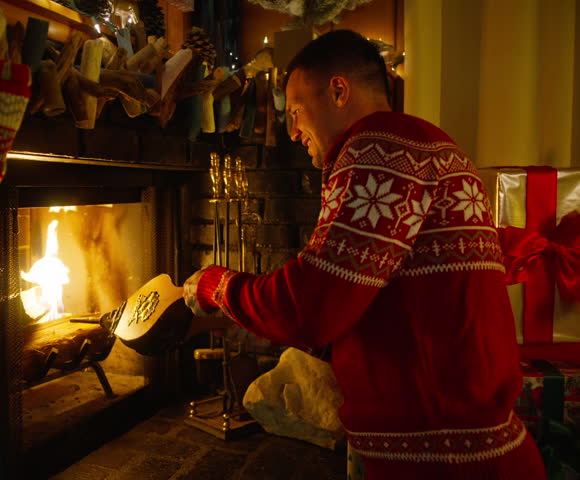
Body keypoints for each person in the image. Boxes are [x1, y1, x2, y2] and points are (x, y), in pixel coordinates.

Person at [183, 29, 546, 479]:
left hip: (444, 461)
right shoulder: (423, 142)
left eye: (296, 110)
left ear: (338, 90)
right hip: (459, 448)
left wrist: (218, 286)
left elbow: (313, 305)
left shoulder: (381, 149)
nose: (293, 131)